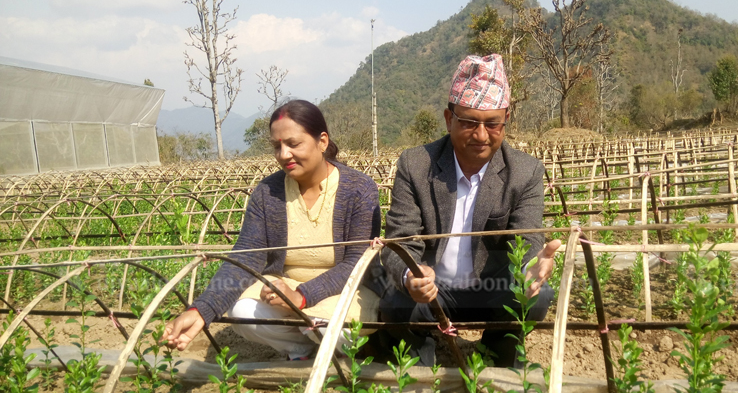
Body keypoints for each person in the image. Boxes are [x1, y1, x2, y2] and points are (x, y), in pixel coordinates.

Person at [377, 54, 561, 368]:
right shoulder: (416, 164)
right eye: (468, 122)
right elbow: (399, 240)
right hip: (434, 292)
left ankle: (498, 348)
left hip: (492, 291)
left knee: (537, 297)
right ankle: (419, 353)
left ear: (505, 121)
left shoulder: (525, 172)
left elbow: (527, 239)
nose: (480, 135)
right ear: (449, 119)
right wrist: (412, 274)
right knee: (395, 299)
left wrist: (531, 267)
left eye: (492, 124)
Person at [164, 100, 381, 359]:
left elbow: (357, 263)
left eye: (293, 144)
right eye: (277, 146)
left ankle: (338, 348)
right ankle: (299, 350)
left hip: (344, 291)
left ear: (322, 141)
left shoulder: (359, 189)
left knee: (327, 327)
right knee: (242, 312)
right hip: (285, 288)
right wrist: (201, 310)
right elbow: (245, 256)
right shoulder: (268, 192)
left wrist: (301, 297)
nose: (283, 154)